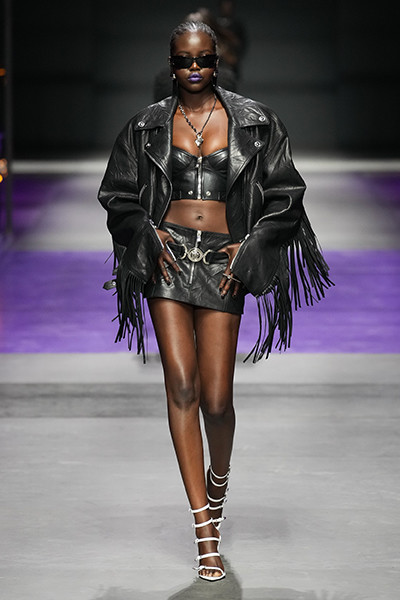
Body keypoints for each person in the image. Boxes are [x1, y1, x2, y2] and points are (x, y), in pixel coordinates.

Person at [98, 21, 332, 582]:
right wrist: (146, 234)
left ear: (218, 60)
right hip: (168, 258)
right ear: (171, 63)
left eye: (203, 59)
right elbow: (117, 194)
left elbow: (287, 193)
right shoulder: (145, 127)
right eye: (184, 60)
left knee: (218, 400)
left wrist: (251, 247)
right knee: (181, 386)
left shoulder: (256, 122)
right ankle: (205, 529)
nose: (194, 68)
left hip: (224, 263)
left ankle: (218, 481)